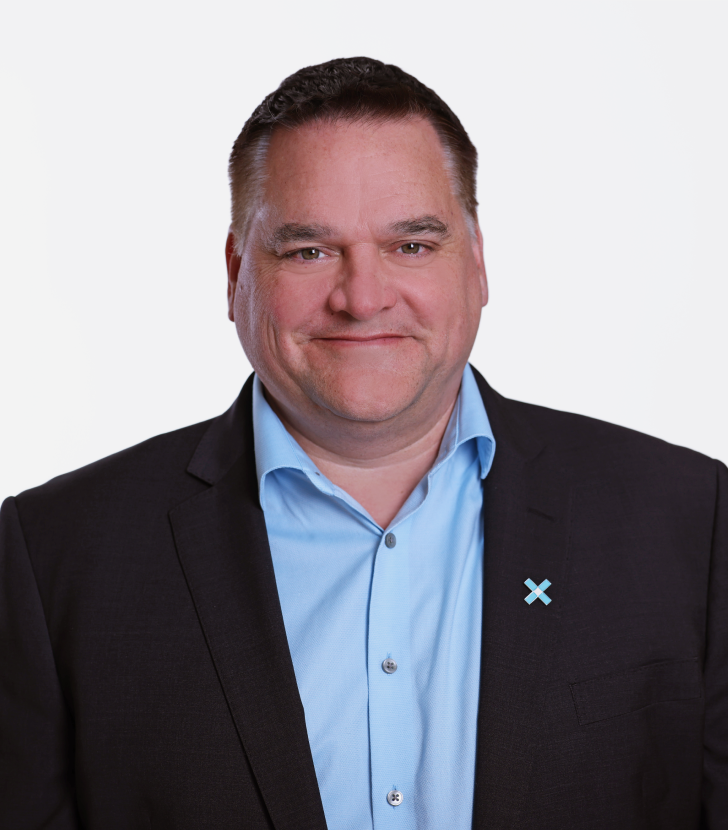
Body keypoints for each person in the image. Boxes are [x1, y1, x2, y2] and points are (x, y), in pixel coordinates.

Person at [0, 56, 725, 830]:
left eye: (412, 245)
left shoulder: (692, 523)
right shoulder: (53, 557)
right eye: (308, 251)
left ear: (477, 263)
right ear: (236, 272)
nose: (363, 297)